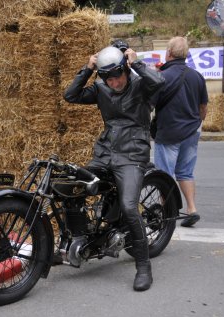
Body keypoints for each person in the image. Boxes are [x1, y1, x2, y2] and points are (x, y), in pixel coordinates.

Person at [64, 46, 165, 291]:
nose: (114, 82)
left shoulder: (141, 85)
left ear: (124, 70)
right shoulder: (101, 89)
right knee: (72, 188)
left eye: (117, 76)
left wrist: (136, 62)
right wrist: (88, 69)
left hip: (132, 154)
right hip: (105, 152)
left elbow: (160, 83)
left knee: (130, 207)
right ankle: (81, 240)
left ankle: (143, 266)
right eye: (107, 78)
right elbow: (71, 95)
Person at [152, 36, 208, 228]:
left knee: (164, 175)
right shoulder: (197, 76)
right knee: (186, 172)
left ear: (168, 53)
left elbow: (150, 104)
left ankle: (168, 212)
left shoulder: (161, 77)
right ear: (186, 54)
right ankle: (192, 209)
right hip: (191, 132)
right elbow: (203, 109)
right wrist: (195, 124)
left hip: (168, 132)